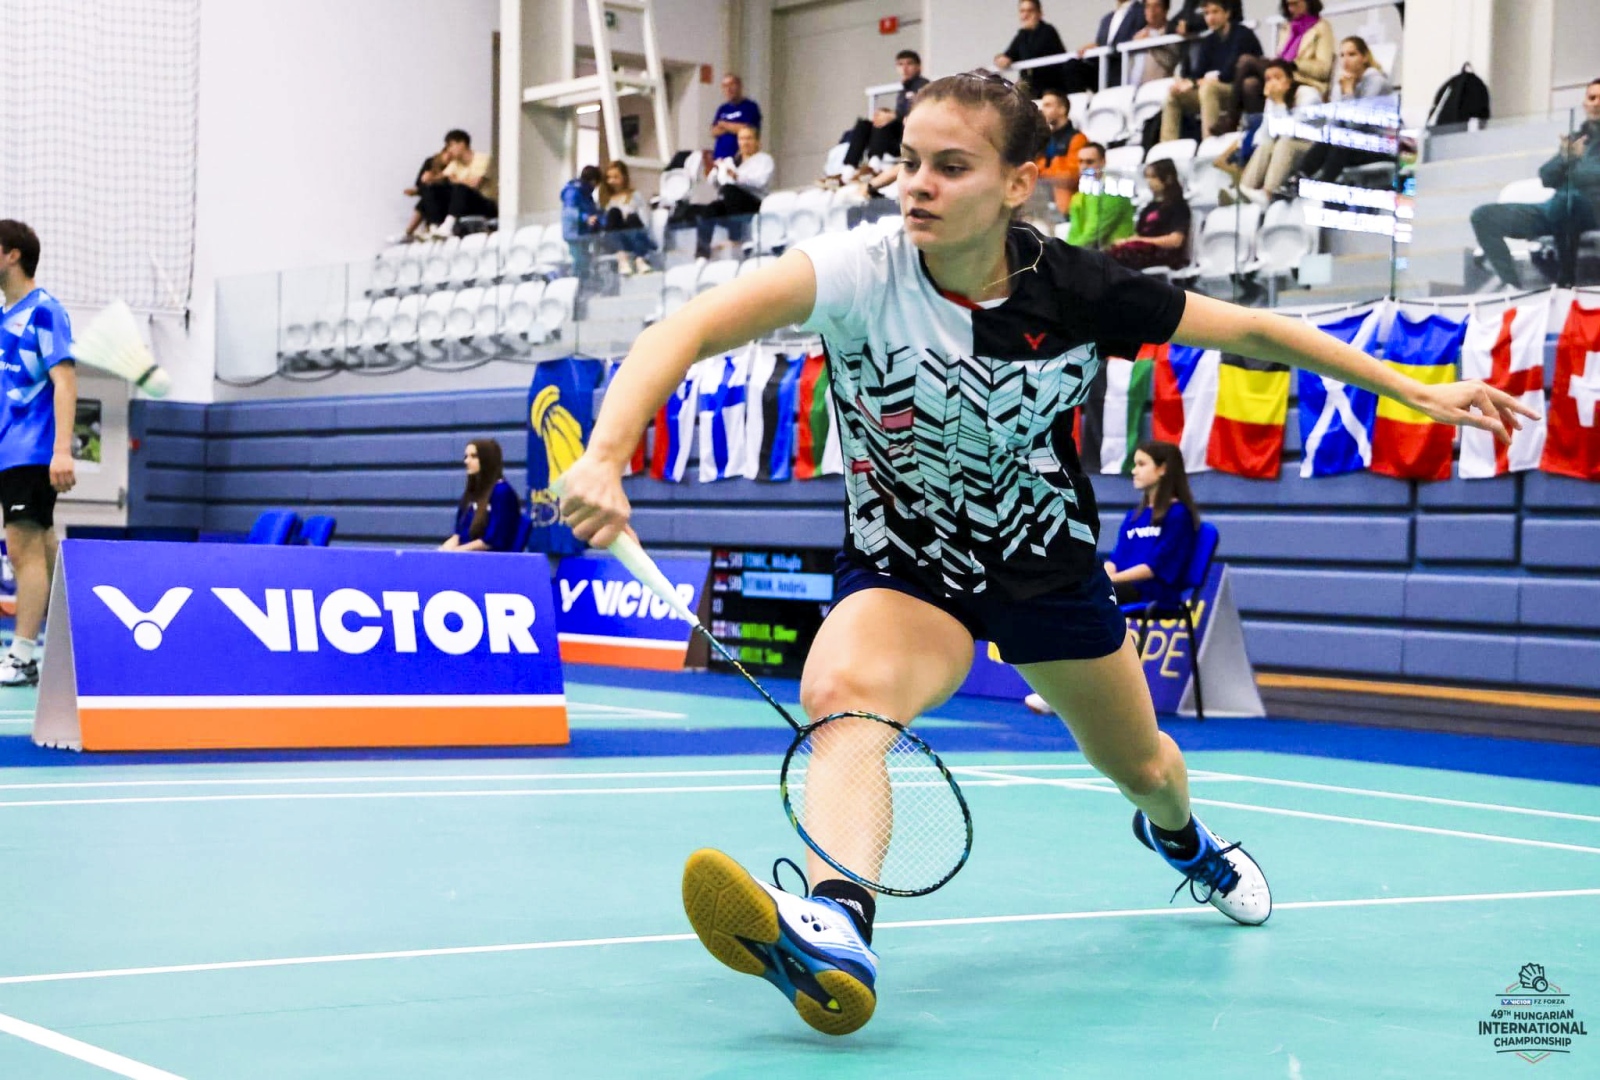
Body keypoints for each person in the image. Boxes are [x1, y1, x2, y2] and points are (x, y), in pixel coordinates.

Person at [557, 69, 1530, 1037]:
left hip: (1046, 571)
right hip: (909, 569)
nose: (918, 185)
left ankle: (1183, 840)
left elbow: (1252, 330)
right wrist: (605, 455)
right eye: (909, 163)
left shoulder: (1078, 287)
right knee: (844, 698)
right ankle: (838, 926)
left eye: (951, 166)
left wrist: (1411, 386)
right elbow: (686, 327)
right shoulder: (856, 272)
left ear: (1018, 182)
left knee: (1142, 767)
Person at [1025, 440, 1197, 714]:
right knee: (1072, 597)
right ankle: (1065, 689)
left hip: (1155, 592)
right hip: (1125, 586)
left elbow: (1153, 568)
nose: (1134, 471)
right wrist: (1098, 577)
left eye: (1141, 464)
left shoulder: (1178, 515)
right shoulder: (1135, 516)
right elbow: (1116, 560)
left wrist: (1109, 583)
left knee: (1085, 602)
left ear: (1163, 469)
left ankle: (1067, 693)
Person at [0, 221, 78, 688]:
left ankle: (23, 656)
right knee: (43, 549)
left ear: (12, 255)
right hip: (8, 449)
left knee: (23, 550)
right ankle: (72, 645)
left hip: (32, 449)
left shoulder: (44, 311)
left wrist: (62, 450)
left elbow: (64, 381)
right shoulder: (2, 317)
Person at [1470, 77, 1600, 291]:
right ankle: (1513, 286)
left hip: (1592, 211)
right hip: (1557, 210)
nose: (1596, 103)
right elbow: (1547, 176)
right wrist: (1566, 159)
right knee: (1483, 216)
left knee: (1567, 202)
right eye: (1592, 98)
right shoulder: (1577, 139)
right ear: (1585, 103)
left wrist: (1575, 170)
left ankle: (1566, 282)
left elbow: (1593, 175)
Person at [1294, 36, 1396, 185]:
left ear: (1364, 57)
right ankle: (1298, 179)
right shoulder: (1342, 83)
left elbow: (1355, 125)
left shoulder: (1377, 82)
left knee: (1342, 141)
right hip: (1353, 144)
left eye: (1351, 54)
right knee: (1330, 140)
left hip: (1379, 145)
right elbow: (1332, 126)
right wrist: (1340, 91)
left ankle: (1324, 184)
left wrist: (1348, 92)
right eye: (1342, 55)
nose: (1345, 60)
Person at [1159, 0, 1263, 143]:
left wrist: (1197, 82)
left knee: (1209, 88)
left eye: (1215, 12)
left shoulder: (1242, 34)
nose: (1210, 18)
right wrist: (1186, 82)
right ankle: (1167, 146)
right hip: (1212, 90)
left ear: (1227, 13)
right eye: (1207, 13)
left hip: (1237, 90)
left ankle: (1209, 141)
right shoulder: (1208, 41)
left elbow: (1229, 72)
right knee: (1174, 95)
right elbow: (1198, 73)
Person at [1229, 0, 1333, 128]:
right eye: (1288, 5)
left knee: (1246, 61)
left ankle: (1231, 119)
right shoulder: (1287, 27)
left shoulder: (1322, 28)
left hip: (1303, 80)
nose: (1291, 9)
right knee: (1250, 84)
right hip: (1282, 74)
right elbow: (1280, 58)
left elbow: (1324, 69)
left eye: (1295, 4)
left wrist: (1295, 64)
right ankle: (1257, 129)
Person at [1234, 59, 1323, 205]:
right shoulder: (1272, 99)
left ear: (1289, 80)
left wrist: (1280, 103)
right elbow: (1265, 133)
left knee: (1284, 143)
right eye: (1268, 79)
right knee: (1266, 144)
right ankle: (1244, 192)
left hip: (1311, 148)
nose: (1273, 83)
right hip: (1285, 145)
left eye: (1277, 77)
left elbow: (1290, 131)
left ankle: (1268, 193)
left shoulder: (1308, 95)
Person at [688, 126, 774, 260]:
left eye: (749, 138)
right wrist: (716, 170)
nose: (745, 142)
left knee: (730, 190)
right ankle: (702, 253)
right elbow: (717, 183)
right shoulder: (731, 160)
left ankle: (736, 236)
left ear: (757, 141)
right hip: (730, 201)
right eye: (742, 139)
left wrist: (736, 176)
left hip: (753, 202)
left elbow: (760, 182)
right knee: (710, 210)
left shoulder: (764, 160)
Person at [843, 51, 928, 175]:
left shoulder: (923, 85)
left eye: (909, 64)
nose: (904, 68)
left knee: (884, 121)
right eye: (900, 64)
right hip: (897, 134)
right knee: (864, 124)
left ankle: (874, 165)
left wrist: (893, 116)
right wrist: (888, 114)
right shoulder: (904, 89)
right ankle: (848, 169)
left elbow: (920, 110)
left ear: (918, 67)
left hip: (909, 137)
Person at [1108, 160, 1192, 270]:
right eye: (1147, 177)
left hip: (1163, 255)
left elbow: (1175, 241)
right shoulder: (1149, 207)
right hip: (1144, 251)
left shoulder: (1178, 206)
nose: (1149, 181)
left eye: (1153, 177)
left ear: (1168, 178)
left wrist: (1140, 241)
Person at [440, 439, 520, 553]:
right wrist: (441, 552)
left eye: (473, 456)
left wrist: (457, 552)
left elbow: (492, 540)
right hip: (465, 555)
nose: (466, 461)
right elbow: (458, 534)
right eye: (466, 456)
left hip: (490, 559)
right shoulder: (472, 493)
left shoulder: (502, 492)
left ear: (487, 460)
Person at [1055, 0, 1147, 95]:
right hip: (1104, 69)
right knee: (1072, 66)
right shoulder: (1107, 18)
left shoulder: (1142, 10)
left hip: (1124, 69)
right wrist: (1094, 47)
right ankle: (1080, 101)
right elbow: (1103, 43)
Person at [418, 130, 497, 239]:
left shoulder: (482, 158)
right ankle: (434, 227)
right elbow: (442, 177)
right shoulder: (455, 163)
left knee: (460, 188)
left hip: (484, 204)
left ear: (462, 144)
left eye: (451, 146)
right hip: (465, 204)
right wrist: (430, 178)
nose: (449, 150)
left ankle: (448, 225)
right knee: (432, 190)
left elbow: (475, 184)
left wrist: (457, 180)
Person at [1066, 142, 1135, 250]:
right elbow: (1074, 231)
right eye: (1080, 161)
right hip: (1088, 252)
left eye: (1090, 162)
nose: (1084, 167)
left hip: (1115, 252)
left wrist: (1068, 251)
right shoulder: (1079, 195)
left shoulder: (1115, 191)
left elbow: (1096, 232)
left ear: (1103, 162)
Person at [994, 0, 1070, 96]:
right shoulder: (1022, 35)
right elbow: (1010, 54)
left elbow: (1032, 53)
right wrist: (1000, 58)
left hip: (1051, 90)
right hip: (1032, 91)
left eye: (1030, 11)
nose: (1025, 15)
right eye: (1022, 11)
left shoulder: (1048, 31)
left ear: (1039, 13)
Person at [596, 161, 656, 276]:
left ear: (624, 177)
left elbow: (645, 219)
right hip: (615, 239)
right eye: (609, 178)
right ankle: (622, 259)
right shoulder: (605, 199)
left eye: (616, 177)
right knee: (614, 212)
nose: (612, 181)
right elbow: (604, 224)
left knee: (632, 217)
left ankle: (640, 260)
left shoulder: (634, 195)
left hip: (634, 235)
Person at [1035, 89, 1090, 213]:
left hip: (1068, 203)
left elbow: (1071, 177)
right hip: (1044, 201)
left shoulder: (1078, 139)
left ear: (1062, 109)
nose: (1043, 110)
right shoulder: (1043, 138)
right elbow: (1035, 171)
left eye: (1048, 105)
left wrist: (1043, 175)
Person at [560, 166, 604, 279]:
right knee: (579, 263)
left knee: (585, 263)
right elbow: (569, 212)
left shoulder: (585, 194)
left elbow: (591, 209)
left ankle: (584, 282)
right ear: (593, 181)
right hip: (575, 234)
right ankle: (576, 283)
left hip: (584, 234)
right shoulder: (573, 192)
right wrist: (586, 218)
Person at [1128, 0, 1183, 88]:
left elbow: (1171, 62)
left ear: (1165, 10)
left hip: (1159, 88)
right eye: (1148, 6)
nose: (1151, 10)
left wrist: (1151, 42)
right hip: (1132, 90)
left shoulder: (1172, 32)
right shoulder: (1139, 34)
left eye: (1157, 6)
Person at [710, 74, 761, 163]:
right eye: (725, 86)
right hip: (720, 158)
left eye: (731, 84)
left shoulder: (750, 107)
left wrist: (724, 125)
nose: (728, 89)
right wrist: (734, 127)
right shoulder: (722, 109)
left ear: (739, 86)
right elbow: (714, 131)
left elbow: (748, 130)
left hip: (741, 158)